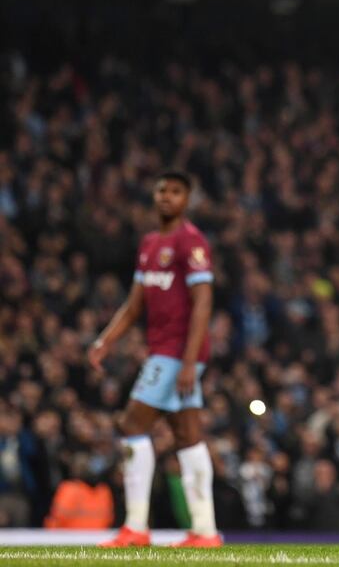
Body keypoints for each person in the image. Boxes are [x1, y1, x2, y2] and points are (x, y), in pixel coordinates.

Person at [88, 172, 221, 548]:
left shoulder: (191, 242)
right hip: (164, 349)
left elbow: (203, 302)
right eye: (162, 190)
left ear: (187, 199)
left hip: (176, 352)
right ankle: (205, 531)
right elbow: (134, 306)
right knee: (187, 435)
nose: (167, 197)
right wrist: (105, 341)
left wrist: (191, 359)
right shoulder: (149, 244)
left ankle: (135, 527)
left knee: (132, 423)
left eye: (176, 192)